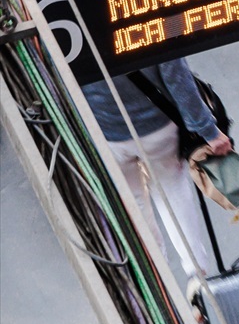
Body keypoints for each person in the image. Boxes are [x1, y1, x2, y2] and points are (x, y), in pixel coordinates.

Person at [83, 59, 230, 276]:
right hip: (158, 128)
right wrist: (208, 130)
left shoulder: (66, 28)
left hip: (108, 134)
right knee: (172, 188)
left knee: (134, 200)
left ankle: (155, 267)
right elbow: (176, 77)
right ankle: (195, 270)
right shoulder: (147, 25)